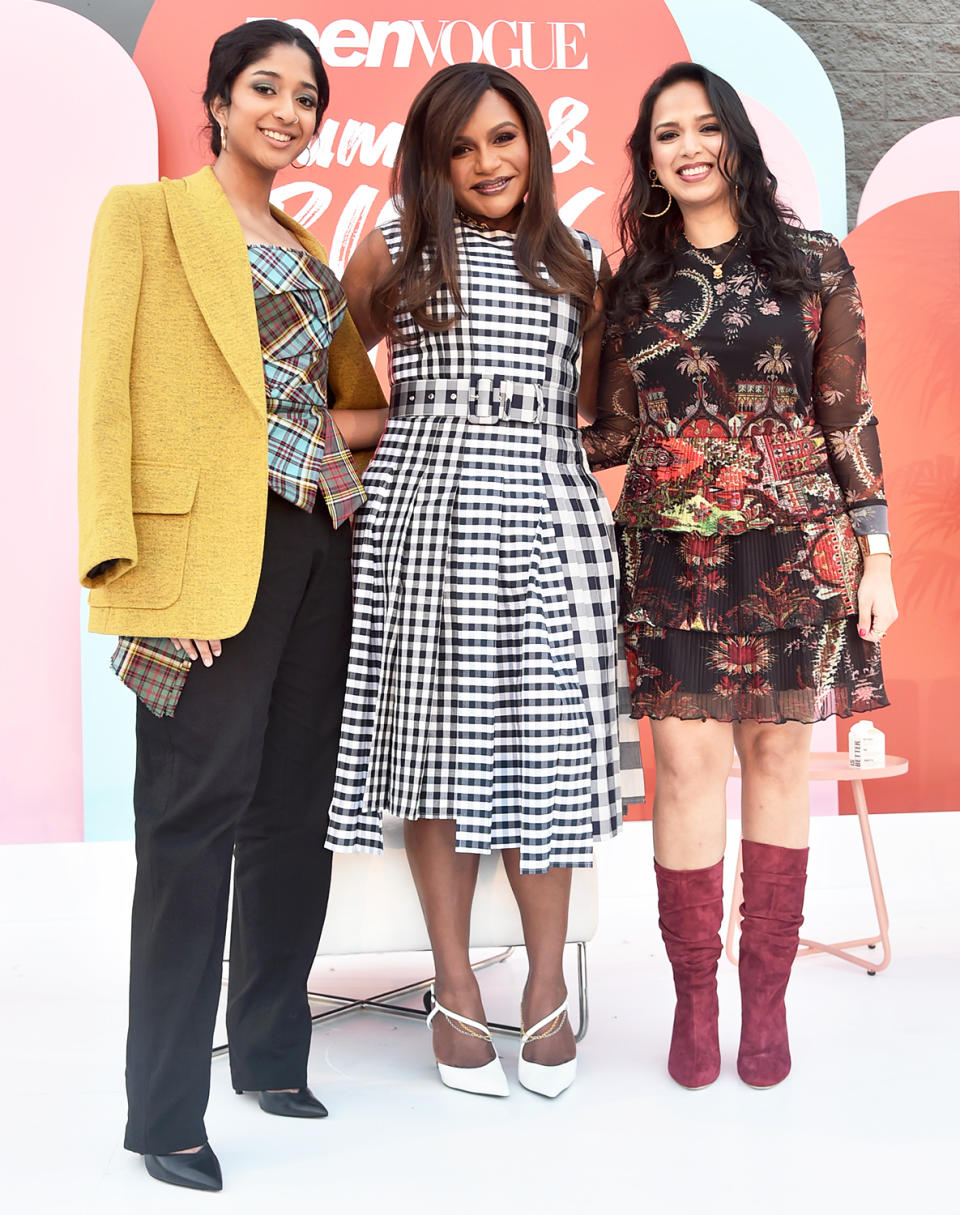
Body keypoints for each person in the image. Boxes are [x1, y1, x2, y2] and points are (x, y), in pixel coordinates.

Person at [78, 20, 386, 1190]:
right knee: (190, 825)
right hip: (207, 558)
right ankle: (165, 1111)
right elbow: (106, 403)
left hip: (318, 548)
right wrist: (135, 579)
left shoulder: (310, 247)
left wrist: (336, 433)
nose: (289, 111)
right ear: (216, 99)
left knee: (291, 811)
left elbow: (348, 407)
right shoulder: (146, 217)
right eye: (266, 88)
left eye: (307, 97)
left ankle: (269, 1051)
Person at [581, 61, 897, 1090]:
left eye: (704, 125)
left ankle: (766, 1006)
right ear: (651, 161)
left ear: (735, 141)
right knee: (683, 769)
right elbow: (610, 432)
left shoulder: (812, 260)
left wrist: (876, 551)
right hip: (671, 550)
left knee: (772, 758)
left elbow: (845, 412)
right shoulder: (629, 288)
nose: (686, 145)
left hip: (797, 545)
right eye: (665, 132)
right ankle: (694, 1001)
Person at [326, 63, 620, 1099]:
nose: (487, 163)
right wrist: (384, 425)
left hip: (547, 517)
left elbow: (585, 406)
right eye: (461, 148)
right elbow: (328, 386)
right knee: (437, 753)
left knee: (547, 753)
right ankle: (455, 992)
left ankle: (545, 990)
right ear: (432, 161)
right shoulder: (396, 248)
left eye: (504, 139)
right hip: (424, 520)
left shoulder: (583, 260)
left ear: (534, 143)